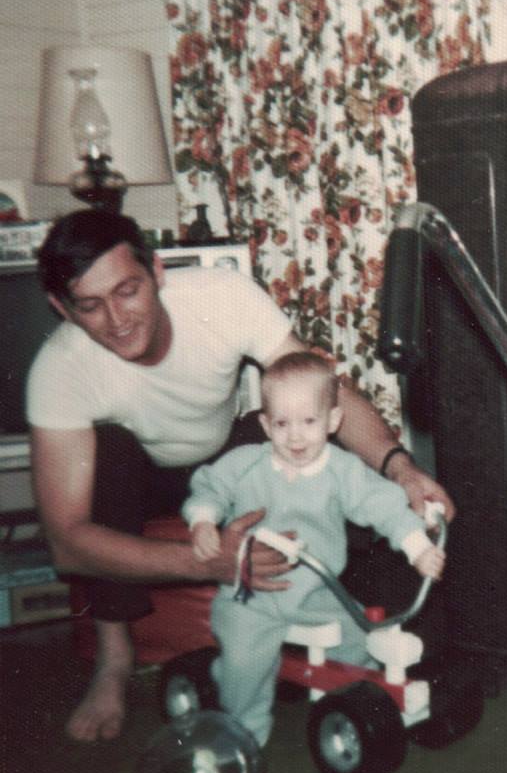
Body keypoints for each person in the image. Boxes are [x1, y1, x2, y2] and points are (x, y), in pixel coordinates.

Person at [26, 209, 453, 743]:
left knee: (296, 425)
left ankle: (345, 615)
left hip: (224, 448)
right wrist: (209, 560)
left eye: (128, 291)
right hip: (142, 472)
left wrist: (401, 470)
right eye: (90, 306)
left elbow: (325, 391)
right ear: (62, 308)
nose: (117, 319)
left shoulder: (220, 296)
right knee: (108, 451)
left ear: (156, 271)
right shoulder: (59, 369)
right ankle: (113, 659)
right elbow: (68, 544)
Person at [182, 351, 445, 745]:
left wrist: (417, 546)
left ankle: (366, 706)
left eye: (309, 421)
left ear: (333, 421)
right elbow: (210, 486)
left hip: (319, 591)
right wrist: (203, 520)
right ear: (266, 425)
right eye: (282, 423)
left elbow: (384, 505)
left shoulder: (342, 471)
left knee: (363, 640)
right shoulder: (246, 464)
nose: (295, 436)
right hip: (251, 596)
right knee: (244, 665)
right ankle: (242, 736)